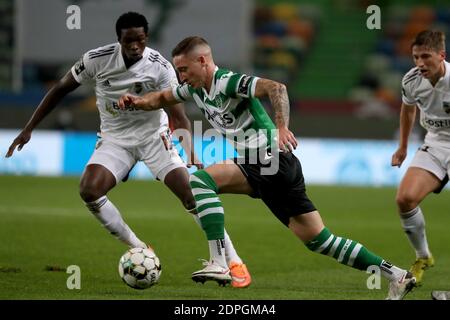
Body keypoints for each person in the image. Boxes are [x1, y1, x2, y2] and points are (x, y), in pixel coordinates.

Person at [119, 36, 416, 299]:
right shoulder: (194, 90)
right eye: (177, 71)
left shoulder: (227, 81)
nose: (180, 76)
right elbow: (160, 97)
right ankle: (398, 275)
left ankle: (220, 262)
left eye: (184, 69)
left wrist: (282, 126)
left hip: (269, 158)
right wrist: (136, 102)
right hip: (272, 168)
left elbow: (277, 87)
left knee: (200, 182)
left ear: (202, 60)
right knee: (319, 240)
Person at [5, 13, 251, 288]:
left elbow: (178, 116)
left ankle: (233, 261)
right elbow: (60, 90)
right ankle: (139, 247)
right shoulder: (95, 60)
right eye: (128, 40)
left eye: (140, 40)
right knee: (89, 190)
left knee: (191, 195)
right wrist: (29, 128)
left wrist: (191, 154)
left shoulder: (160, 66)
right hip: (115, 140)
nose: (135, 45)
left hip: (154, 137)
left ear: (146, 38)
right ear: (119, 38)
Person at [391, 30, 449, 286]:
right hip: (436, 143)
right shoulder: (411, 80)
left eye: (426, 57)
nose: (420, 63)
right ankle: (423, 256)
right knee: (405, 198)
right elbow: (407, 110)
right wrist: (403, 147)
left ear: (441, 55)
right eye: (416, 57)